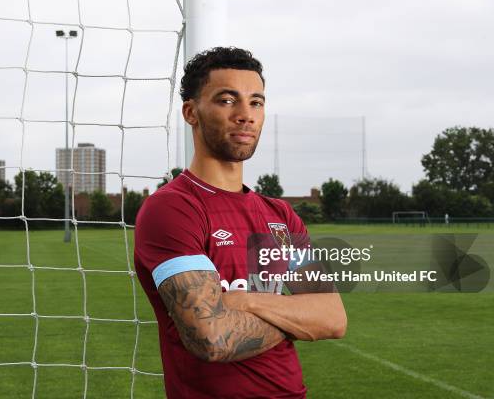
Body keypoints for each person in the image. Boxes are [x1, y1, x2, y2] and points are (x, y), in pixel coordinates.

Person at [134, 47, 347, 399]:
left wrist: (246, 302)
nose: (245, 115)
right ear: (191, 112)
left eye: (256, 102)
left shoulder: (280, 214)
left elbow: (333, 318)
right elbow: (212, 339)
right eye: (227, 100)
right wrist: (299, 318)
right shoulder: (173, 208)